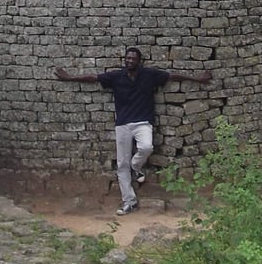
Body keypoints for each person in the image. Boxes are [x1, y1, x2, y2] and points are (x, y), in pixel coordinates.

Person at [55, 46, 212, 215]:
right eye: (127, 58)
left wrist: (198, 79)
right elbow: (93, 78)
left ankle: (136, 166)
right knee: (122, 164)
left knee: (146, 147)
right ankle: (129, 201)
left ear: (139, 61)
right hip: (123, 124)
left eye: (133, 58)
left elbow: (173, 76)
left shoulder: (149, 75)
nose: (130, 61)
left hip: (143, 122)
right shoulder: (116, 76)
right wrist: (69, 78)